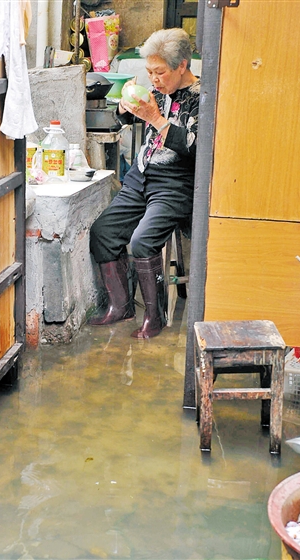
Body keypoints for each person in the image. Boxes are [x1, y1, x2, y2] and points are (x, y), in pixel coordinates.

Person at [89, 27, 200, 339]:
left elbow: (194, 147)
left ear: (182, 65)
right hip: (141, 177)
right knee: (104, 232)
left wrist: (155, 117)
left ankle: (155, 316)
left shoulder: (200, 98)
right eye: (150, 71)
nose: (154, 79)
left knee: (142, 242)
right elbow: (125, 120)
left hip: (174, 185)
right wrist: (126, 109)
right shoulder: (157, 92)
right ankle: (120, 306)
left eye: (160, 72)